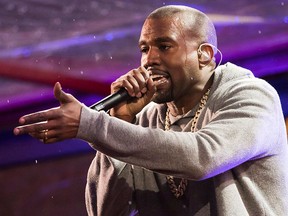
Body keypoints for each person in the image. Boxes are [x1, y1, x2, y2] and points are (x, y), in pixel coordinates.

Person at [14, 5, 288, 216]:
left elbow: (202, 157)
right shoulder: (143, 119)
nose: (149, 60)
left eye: (164, 46)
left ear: (204, 55)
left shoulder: (251, 96)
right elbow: (105, 210)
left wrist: (93, 126)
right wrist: (120, 119)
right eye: (144, 49)